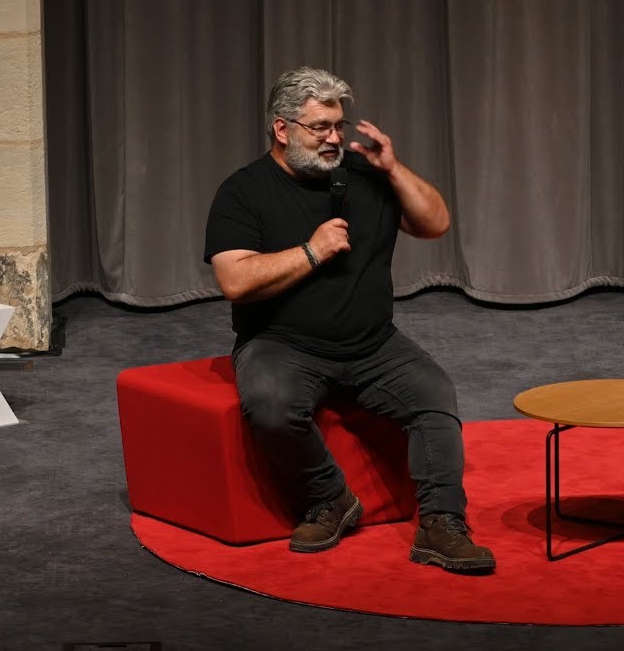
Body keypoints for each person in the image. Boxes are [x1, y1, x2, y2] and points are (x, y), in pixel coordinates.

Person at [204, 67, 494, 572]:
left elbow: (436, 223)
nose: (333, 138)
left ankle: (441, 525)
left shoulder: (363, 174)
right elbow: (234, 279)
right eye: (319, 128)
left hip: (373, 344)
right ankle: (332, 497)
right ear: (282, 129)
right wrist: (311, 252)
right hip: (281, 343)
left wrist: (394, 169)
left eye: (338, 126)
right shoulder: (243, 191)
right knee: (271, 407)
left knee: (435, 396)